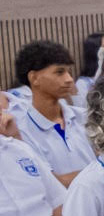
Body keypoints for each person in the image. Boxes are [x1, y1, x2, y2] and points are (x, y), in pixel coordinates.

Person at [12, 41, 96, 185]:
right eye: (59, 72)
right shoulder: (22, 131)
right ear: (34, 78)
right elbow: (50, 184)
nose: (69, 79)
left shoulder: (85, 116)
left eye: (69, 72)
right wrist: (99, 174)